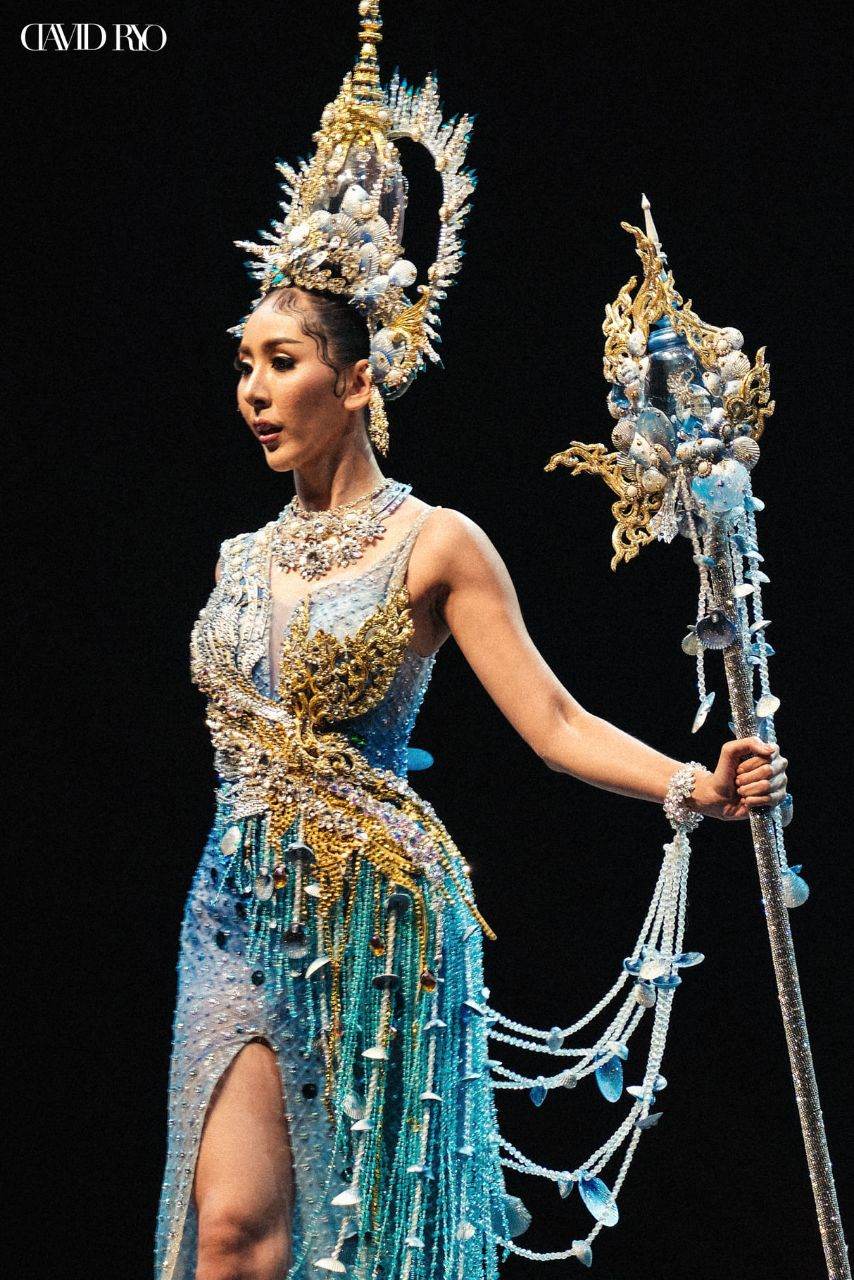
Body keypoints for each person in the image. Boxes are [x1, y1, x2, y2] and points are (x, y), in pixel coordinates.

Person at [154, 7, 787, 1278]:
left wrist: (688, 783)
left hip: (378, 920)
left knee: (350, 1242)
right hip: (232, 905)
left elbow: (549, 721)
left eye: (282, 363)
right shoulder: (237, 559)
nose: (255, 390)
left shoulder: (436, 544)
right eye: (245, 366)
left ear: (359, 378)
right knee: (224, 1233)